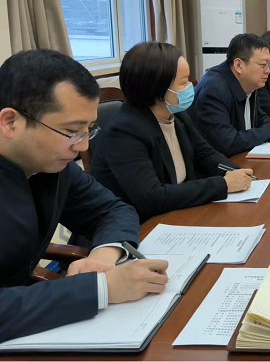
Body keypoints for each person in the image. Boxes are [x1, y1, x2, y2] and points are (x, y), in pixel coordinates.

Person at [0, 50, 169, 342]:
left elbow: (113, 209)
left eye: (88, 131)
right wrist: (102, 288)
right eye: (70, 131)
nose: (81, 147)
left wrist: (105, 253)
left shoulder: (52, 166)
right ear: (10, 122)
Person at [90, 42, 255, 224]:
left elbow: (206, 155)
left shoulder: (178, 116)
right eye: (183, 82)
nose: (190, 87)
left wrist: (237, 173)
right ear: (156, 87)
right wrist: (223, 185)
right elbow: (152, 197)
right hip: (138, 226)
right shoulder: (124, 132)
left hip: (175, 213)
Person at [189, 33, 270, 157]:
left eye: (269, 65)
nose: (268, 71)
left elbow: (258, 117)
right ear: (239, 65)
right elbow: (228, 143)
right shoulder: (214, 89)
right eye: (263, 64)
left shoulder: (249, 83)